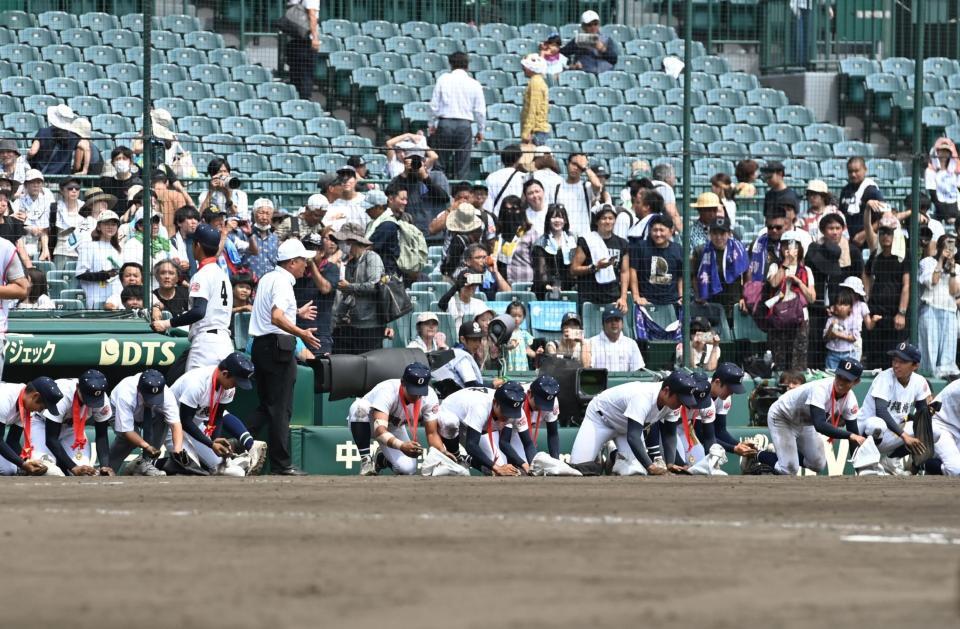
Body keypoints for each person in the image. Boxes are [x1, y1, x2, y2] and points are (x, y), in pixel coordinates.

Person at [248, 238, 319, 475]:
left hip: (261, 346)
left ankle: (236, 444)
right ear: (291, 262)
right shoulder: (283, 282)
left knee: (267, 406)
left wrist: (296, 313)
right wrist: (302, 333)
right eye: (302, 261)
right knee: (280, 409)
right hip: (277, 348)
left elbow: (273, 312)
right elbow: (276, 317)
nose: (306, 265)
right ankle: (281, 464)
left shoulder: (268, 278)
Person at [741, 359, 866, 476]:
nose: (841, 382)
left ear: (856, 382)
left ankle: (778, 455)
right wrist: (850, 435)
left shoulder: (850, 400)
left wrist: (859, 470)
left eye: (847, 379)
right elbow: (820, 425)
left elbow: (854, 436)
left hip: (804, 422)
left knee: (818, 464)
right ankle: (755, 455)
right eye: (839, 376)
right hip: (782, 417)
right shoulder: (821, 388)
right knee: (789, 469)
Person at [569, 371, 708, 475]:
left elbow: (670, 434)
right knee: (578, 469)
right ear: (666, 391)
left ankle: (614, 455)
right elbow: (633, 437)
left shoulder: (672, 404)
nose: (681, 404)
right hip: (600, 420)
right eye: (679, 399)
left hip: (626, 428)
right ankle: (600, 455)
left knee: (636, 471)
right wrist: (650, 466)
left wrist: (670, 463)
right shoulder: (643, 396)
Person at [169, 353, 267, 477]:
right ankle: (156, 463)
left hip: (195, 425)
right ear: (225, 373)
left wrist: (216, 439)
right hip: (170, 425)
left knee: (231, 471)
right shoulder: (197, 383)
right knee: (191, 468)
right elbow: (185, 421)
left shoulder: (228, 387)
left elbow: (218, 416)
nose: (236, 386)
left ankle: (233, 460)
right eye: (236, 382)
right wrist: (211, 444)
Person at [348, 362, 438, 476]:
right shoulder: (388, 390)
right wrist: (401, 446)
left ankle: (382, 459)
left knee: (408, 470)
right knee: (359, 407)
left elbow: (432, 433)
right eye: (413, 390)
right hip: (368, 423)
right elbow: (379, 431)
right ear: (403, 382)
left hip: (394, 427)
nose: (417, 396)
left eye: (420, 392)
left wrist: (443, 453)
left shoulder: (430, 397)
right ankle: (366, 461)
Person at [857, 343, 931, 474]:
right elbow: (881, 411)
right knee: (876, 424)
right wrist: (905, 436)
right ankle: (868, 464)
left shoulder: (919, 381)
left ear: (915, 365)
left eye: (902, 362)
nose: (896, 365)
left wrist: (929, 412)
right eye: (894, 360)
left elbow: (922, 415)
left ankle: (892, 459)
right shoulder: (884, 378)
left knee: (933, 429)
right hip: (866, 434)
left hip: (892, 434)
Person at [27, 370, 112, 476]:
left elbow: (102, 436)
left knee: (85, 473)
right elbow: (51, 439)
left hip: (73, 429)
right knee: (48, 471)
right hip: (43, 424)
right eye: (88, 397)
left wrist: (105, 466)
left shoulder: (102, 399)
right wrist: (73, 467)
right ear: (77, 387)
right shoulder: (62, 394)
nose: (91, 402)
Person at [436, 381, 531, 475]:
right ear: (495, 402)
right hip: (453, 413)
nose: (508, 416)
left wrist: (526, 466)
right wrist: (497, 468)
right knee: (450, 422)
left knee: (493, 467)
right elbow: (471, 445)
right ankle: (456, 456)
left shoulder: (517, 412)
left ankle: (466, 459)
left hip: (475, 423)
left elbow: (527, 443)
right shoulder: (481, 406)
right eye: (505, 411)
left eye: (512, 413)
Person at [107, 370, 186, 476]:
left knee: (163, 419)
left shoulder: (167, 394)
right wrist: (146, 446)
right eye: (148, 396)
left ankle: (143, 463)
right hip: (117, 409)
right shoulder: (126, 393)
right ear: (139, 389)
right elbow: (127, 431)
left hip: (150, 415)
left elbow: (175, 424)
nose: (151, 401)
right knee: (128, 440)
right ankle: (107, 469)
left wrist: (177, 452)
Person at [429, 50, 485, 180]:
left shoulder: (443, 79)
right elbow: (480, 111)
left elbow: (434, 105)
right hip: (464, 125)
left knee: (440, 163)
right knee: (462, 165)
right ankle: (461, 190)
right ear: (467, 65)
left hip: (445, 124)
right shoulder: (474, 83)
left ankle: (439, 189)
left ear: (451, 64)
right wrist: (481, 130)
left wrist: (431, 124)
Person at [331, 223, 385, 355]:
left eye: (343, 241)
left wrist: (349, 286)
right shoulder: (350, 263)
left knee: (370, 360)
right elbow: (349, 296)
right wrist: (337, 317)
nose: (341, 245)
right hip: (354, 324)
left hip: (371, 325)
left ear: (352, 241)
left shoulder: (372, 257)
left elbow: (375, 285)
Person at [766, 230, 816, 371]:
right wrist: (786, 263)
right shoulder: (775, 267)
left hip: (800, 318)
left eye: (794, 245)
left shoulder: (806, 270)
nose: (789, 249)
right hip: (779, 317)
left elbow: (811, 298)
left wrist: (799, 282)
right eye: (785, 246)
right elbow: (774, 283)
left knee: (798, 359)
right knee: (779, 358)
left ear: (800, 249)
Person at [863, 216, 909, 368]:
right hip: (876, 313)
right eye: (882, 232)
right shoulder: (875, 256)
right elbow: (866, 274)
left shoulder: (903, 257)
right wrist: (867, 296)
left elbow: (906, 286)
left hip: (895, 315)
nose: (885, 236)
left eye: (889, 233)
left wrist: (901, 313)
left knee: (893, 359)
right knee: (874, 359)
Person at [0, 377, 64, 476]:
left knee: (9, 469)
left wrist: (27, 460)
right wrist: (23, 464)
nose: (40, 410)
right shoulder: (4, 398)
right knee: (9, 469)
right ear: (35, 396)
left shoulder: (25, 404)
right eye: (42, 407)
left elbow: (12, 441)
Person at [571, 204, 630, 308]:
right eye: (603, 218)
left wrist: (623, 297)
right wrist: (595, 267)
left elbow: (624, 272)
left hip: (613, 298)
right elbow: (574, 269)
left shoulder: (622, 243)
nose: (607, 221)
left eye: (611, 218)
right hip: (589, 298)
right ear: (597, 221)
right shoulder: (586, 240)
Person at [918, 234, 960, 379]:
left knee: (947, 355)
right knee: (929, 351)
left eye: (951, 246)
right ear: (939, 247)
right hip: (930, 309)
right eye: (946, 246)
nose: (949, 250)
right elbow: (933, 281)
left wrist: (952, 269)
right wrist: (941, 260)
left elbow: (954, 292)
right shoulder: (928, 262)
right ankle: (927, 381)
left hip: (949, 311)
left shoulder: (957, 268)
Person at [694, 216, 748, 322]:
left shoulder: (739, 250)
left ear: (729, 233)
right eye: (715, 233)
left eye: (722, 233)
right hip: (711, 305)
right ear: (709, 234)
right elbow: (694, 276)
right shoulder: (701, 251)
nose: (718, 237)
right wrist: (699, 295)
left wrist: (745, 297)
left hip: (734, 304)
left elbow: (746, 274)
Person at [294, 231, 339, 356]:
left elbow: (325, 288)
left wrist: (311, 264)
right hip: (296, 331)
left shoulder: (331, 268)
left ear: (322, 252)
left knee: (320, 367)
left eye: (313, 248)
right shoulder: (297, 271)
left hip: (319, 334)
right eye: (306, 248)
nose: (309, 251)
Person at [388, 151, 451, 232]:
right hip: (411, 232)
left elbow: (444, 198)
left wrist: (425, 177)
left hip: (435, 232)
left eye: (418, 164)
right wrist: (404, 174)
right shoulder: (402, 180)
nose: (415, 167)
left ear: (425, 164)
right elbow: (389, 194)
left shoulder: (437, 176)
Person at [631, 214, 682, 306]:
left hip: (671, 302)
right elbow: (632, 271)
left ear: (671, 231)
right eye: (655, 230)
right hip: (646, 302)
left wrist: (681, 296)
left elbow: (680, 276)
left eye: (662, 230)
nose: (658, 234)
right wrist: (636, 296)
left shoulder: (678, 249)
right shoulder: (641, 247)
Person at [75, 210, 122, 309]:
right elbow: (80, 274)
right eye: (106, 224)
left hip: (115, 298)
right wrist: (104, 275)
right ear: (99, 226)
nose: (110, 227)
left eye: (113, 224)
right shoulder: (88, 246)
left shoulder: (118, 249)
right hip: (94, 297)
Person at [532, 203, 577, 299]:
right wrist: (550, 286)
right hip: (545, 289)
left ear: (565, 220)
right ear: (548, 220)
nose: (557, 220)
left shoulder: (573, 239)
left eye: (560, 217)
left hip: (568, 289)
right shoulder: (540, 243)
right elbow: (541, 273)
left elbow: (575, 266)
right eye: (553, 217)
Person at [838, 156, 884, 249]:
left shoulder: (871, 191)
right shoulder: (845, 190)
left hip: (868, 243)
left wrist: (864, 234)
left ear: (865, 170)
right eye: (850, 171)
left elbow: (884, 217)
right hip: (849, 241)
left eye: (856, 171)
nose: (853, 174)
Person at [430, 321, 485, 396]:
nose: (478, 344)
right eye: (474, 340)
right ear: (463, 339)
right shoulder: (461, 356)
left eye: (479, 339)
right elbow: (471, 385)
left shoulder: (454, 352)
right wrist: (492, 386)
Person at [493, 195, 537, 284]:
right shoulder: (497, 233)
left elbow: (537, 261)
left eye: (515, 209)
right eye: (507, 210)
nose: (510, 213)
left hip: (524, 281)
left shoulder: (530, 232)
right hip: (500, 282)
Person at [27, 104, 82, 175]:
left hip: (42, 175)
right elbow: (84, 146)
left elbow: (32, 152)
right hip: (63, 177)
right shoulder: (74, 137)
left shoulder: (43, 132)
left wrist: (27, 158)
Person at [12, 169, 54, 261]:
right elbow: (12, 224)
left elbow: (44, 229)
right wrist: (28, 227)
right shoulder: (18, 202)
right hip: (20, 242)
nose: (36, 185)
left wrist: (45, 249)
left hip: (38, 242)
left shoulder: (46, 202)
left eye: (38, 182)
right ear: (26, 185)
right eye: (32, 182)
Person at [555, 153, 602, 235]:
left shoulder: (586, 186)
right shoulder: (558, 187)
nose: (575, 168)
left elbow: (597, 185)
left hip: (583, 235)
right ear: (567, 164)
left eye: (579, 166)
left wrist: (586, 167)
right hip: (563, 235)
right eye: (573, 164)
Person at [586, 305, 644, 372]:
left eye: (617, 320)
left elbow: (637, 371)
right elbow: (588, 370)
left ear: (622, 324)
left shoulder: (631, 344)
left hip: (625, 379)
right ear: (603, 325)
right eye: (610, 320)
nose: (614, 323)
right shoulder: (591, 343)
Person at [559, 10, 619, 74]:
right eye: (589, 25)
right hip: (586, 74)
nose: (593, 27)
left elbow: (614, 59)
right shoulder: (578, 40)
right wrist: (572, 66)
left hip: (604, 74)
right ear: (583, 26)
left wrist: (602, 49)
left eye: (595, 24)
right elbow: (562, 53)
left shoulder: (607, 39)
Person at [284, 0, 319, 99]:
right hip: (305, 41)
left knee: (295, 74)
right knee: (306, 75)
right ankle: (304, 100)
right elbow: (312, 15)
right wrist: (315, 38)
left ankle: (295, 100)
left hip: (293, 39)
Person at [481, 145, 526, 216]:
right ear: (518, 159)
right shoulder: (523, 177)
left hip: (496, 218)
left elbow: (487, 205)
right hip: (516, 217)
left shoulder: (491, 177)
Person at [97, 147, 142, 217]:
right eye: (118, 159)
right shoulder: (106, 182)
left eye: (124, 158)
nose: (121, 161)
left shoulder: (137, 182)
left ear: (131, 162)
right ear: (112, 163)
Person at [924, 137, 960, 224]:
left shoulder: (955, 172)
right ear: (936, 152)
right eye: (941, 151)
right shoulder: (930, 171)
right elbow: (933, 195)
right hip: (939, 209)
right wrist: (947, 217)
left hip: (955, 205)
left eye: (947, 151)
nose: (944, 154)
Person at [823, 291, 861, 370]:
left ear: (850, 308)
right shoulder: (831, 320)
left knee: (848, 375)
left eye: (845, 305)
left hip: (849, 353)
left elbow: (854, 338)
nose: (842, 307)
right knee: (831, 375)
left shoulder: (853, 320)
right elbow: (826, 338)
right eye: (839, 304)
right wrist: (831, 327)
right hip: (833, 354)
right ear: (835, 306)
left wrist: (838, 334)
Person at [929, 380, 960, 476]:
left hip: (957, 427)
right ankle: (923, 463)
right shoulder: (957, 388)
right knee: (956, 471)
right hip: (940, 425)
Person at [520, 53, 550, 145]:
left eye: (525, 66)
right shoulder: (537, 81)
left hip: (535, 130)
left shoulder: (535, 83)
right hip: (537, 129)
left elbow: (533, 108)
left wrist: (526, 132)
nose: (523, 69)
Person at [504, 301, 536, 372]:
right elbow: (502, 348)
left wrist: (537, 355)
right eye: (513, 316)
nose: (516, 319)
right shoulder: (505, 333)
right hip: (509, 366)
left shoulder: (524, 334)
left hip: (522, 368)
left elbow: (527, 350)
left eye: (519, 316)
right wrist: (509, 347)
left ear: (523, 317)